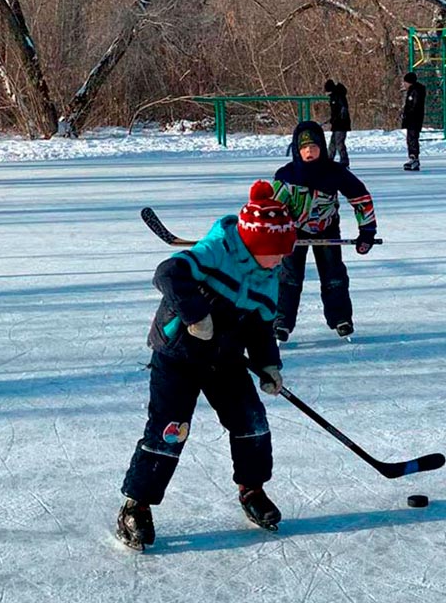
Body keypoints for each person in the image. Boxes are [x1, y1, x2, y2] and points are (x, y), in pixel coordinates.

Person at [116, 180, 297, 550]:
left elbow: (262, 325)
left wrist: (268, 365)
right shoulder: (218, 249)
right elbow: (168, 273)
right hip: (178, 355)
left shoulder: (269, 276)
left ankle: (252, 490)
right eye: (277, 252)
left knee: (252, 422)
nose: (282, 260)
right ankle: (137, 506)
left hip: (225, 359)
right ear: (257, 244)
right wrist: (196, 315)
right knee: (170, 431)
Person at [270, 120, 377, 343]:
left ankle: (340, 318)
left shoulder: (334, 172)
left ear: (322, 148)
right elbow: (271, 208)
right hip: (293, 232)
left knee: (333, 274)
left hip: (326, 229)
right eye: (304, 148)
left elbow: (360, 198)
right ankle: (281, 321)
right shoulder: (286, 176)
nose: (310, 152)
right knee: (289, 277)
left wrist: (366, 231)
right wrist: (269, 236)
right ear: (297, 150)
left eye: (315, 147)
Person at [400, 71, 426, 171]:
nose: (404, 84)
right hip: (412, 119)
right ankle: (412, 157)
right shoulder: (412, 90)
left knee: (412, 139)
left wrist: (408, 115)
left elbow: (415, 106)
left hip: (414, 119)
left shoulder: (415, 91)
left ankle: (414, 158)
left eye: (405, 82)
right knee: (410, 139)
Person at [324, 79, 351, 168]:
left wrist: (339, 118)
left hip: (341, 124)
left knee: (339, 142)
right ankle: (329, 159)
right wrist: (332, 119)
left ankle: (344, 161)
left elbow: (343, 109)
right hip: (336, 124)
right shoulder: (333, 97)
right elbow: (335, 111)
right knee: (333, 142)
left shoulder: (339, 96)